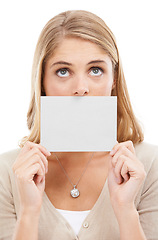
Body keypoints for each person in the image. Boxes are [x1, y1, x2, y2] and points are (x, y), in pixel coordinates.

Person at [0, 10, 158, 240]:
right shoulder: (8, 171)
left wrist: (125, 210)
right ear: (42, 82)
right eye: (63, 71)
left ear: (113, 79)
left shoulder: (148, 165)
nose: (81, 87)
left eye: (96, 70)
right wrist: (29, 213)